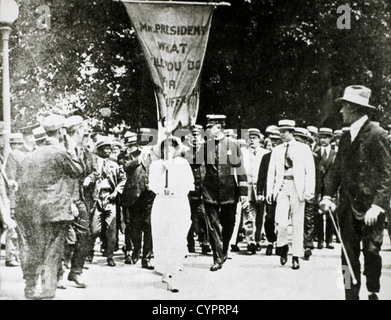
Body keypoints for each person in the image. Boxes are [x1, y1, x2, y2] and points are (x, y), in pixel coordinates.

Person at [320, 85, 391, 300]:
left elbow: (388, 175)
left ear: (353, 108)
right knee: (347, 256)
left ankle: (372, 288)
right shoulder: (345, 137)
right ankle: (350, 294)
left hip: (371, 209)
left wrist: (378, 206)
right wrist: (327, 195)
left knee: (371, 252)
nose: (340, 112)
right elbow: (336, 170)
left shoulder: (378, 135)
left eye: (343, 107)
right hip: (348, 207)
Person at [15, 114, 84, 300]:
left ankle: (30, 287)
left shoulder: (31, 155)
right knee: (51, 252)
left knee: (35, 249)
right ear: (62, 131)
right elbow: (78, 171)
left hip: (32, 210)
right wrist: (72, 148)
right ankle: (47, 291)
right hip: (55, 211)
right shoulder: (59, 152)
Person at [267, 120, 315, 270]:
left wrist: (309, 190)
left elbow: (310, 171)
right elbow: (271, 173)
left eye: (284, 131)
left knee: (297, 222)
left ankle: (296, 256)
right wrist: (269, 191)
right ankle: (282, 248)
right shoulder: (277, 150)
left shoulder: (303, 148)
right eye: (280, 131)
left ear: (292, 132)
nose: (281, 134)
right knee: (281, 222)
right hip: (282, 187)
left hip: (297, 187)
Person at [202, 115, 248, 272]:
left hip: (229, 191)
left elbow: (240, 169)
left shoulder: (232, 145)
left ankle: (224, 249)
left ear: (219, 128)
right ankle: (217, 257)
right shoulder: (206, 145)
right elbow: (194, 163)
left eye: (210, 128)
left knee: (228, 224)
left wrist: (243, 192)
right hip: (209, 191)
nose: (208, 131)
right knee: (213, 225)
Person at [149, 136, 194, 292]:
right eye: (166, 148)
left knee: (176, 237)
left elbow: (189, 184)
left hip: (178, 203)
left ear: (177, 149)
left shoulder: (183, 164)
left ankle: (172, 272)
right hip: (162, 202)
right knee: (161, 236)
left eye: (172, 148)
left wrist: (174, 190)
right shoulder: (156, 165)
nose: (169, 150)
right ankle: (164, 269)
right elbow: (152, 185)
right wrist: (163, 181)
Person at [62, 116, 99, 288]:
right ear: (77, 131)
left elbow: (94, 171)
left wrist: (89, 179)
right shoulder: (63, 151)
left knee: (85, 236)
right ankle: (59, 273)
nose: (85, 134)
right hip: (64, 198)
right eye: (83, 130)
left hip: (81, 198)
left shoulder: (86, 152)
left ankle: (76, 272)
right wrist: (68, 202)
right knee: (62, 237)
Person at [119, 131, 155, 269]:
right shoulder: (126, 157)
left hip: (149, 194)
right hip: (133, 196)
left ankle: (147, 257)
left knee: (148, 226)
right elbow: (126, 167)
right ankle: (135, 252)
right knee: (135, 226)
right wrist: (140, 157)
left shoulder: (152, 156)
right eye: (133, 145)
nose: (136, 146)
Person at [89, 137, 126, 267]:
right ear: (99, 150)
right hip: (97, 198)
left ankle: (110, 256)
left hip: (110, 198)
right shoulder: (93, 163)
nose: (108, 150)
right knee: (94, 229)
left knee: (111, 229)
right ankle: (90, 252)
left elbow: (123, 179)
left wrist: (116, 192)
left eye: (109, 148)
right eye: (105, 148)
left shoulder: (114, 165)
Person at [183, 125, 211, 255]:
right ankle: (190, 243)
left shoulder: (206, 149)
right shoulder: (184, 149)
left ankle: (205, 242)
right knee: (189, 216)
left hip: (203, 188)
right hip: (189, 189)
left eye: (197, 134)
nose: (195, 137)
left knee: (203, 215)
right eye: (193, 134)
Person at [256, 131, 281, 255]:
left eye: (277, 142)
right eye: (273, 142)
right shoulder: (266, 157)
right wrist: (260, 192)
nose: (275, 144)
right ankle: (271, 241)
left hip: (282, 191)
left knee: (281, 219)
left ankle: (280, 243)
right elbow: (261, 176)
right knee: (269, 217)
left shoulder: (285, 157)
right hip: (269, 192)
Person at [4, 133, 25, 267]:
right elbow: (11, 181)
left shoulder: (16, 155)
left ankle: (14, 255)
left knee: (16, 228)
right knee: (12, 228)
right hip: (15, 197)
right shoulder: (13, 156)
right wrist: (11, 204)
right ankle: (11, 256)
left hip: (18, 197)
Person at [314, 128, 337, 250]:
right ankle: (320, 240)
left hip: (330, 188)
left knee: (330, 213)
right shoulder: (315, 153)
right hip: (317, 187)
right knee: (318, 214)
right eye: (321, 137)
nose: (323, 140)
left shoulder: (335, 154)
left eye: (326, 137)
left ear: (330, 138)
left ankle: (329, 240)